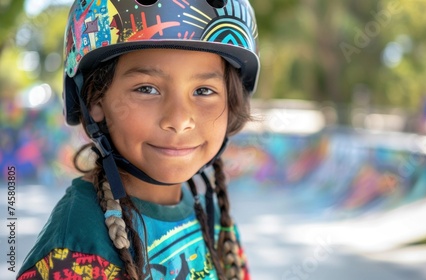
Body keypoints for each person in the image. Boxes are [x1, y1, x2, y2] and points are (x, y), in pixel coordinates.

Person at [17, 0, 259, 279]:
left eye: (204, 91)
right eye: (147, 89)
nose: (179, 120)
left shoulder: (212, 218)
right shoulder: (76, 248)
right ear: (95, 99)